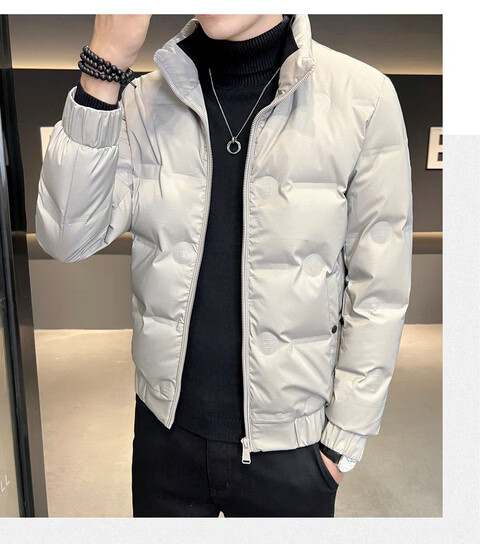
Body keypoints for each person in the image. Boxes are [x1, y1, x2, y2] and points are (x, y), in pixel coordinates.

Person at [35, 13, 413, 517]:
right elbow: (66, 237)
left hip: (293, 448)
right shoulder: (143, 100)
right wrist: (104, 68)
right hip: (164, 435)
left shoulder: (363, 97)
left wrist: (341, 442)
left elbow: (378, 287)